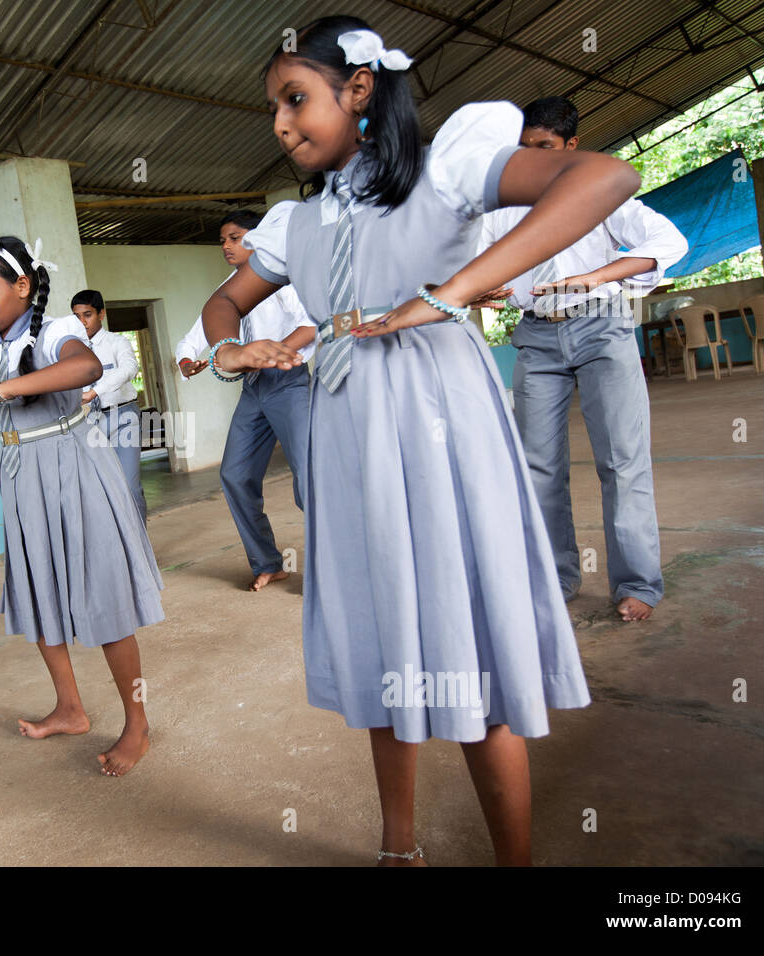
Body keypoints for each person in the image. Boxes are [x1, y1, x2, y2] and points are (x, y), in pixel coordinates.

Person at [200, 15, 649, 864]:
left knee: (460, 626)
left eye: (295, 99)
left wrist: (449, 292)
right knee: (382, 633)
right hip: (346, 429)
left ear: (358, 88)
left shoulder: (445, 170)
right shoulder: (296, 225)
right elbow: (223, 303)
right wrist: (229, 343)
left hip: (440, 416)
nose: (281, 124)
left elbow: (603, 177)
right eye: (272, 108)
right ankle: (398, 849)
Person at [0, 236, 164, 776]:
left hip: (74, 463)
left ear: (21, 286)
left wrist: (9, 389)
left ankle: (137, 721)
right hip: (21, 475)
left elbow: (84, 370)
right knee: (38, 591)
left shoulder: (57, 329)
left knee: (102, 593)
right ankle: (70, 708)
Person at [476, 96, 688, 623]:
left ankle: (637, 583)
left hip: (602, 328)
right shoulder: (503, 207)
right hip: (536, 337)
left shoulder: (600, 194)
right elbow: (474, 266)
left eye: (545, 148)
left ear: (571, 146)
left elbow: (670, 240)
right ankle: (556, 576)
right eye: (524, 150)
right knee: (539, 466)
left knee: (620, 459)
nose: (533, 159)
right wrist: (480, 289)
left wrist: (599, 275)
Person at [174, 210, 315, 591]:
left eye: (234, 237)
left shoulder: (284, 279)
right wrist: (187, 360)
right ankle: (268, 562)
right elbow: (196, 333)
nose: (226, 245)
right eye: (222, 240)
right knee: (235, 475)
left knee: (310, 477)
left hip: (288, 382)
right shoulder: (228, 291)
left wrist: (271, 352)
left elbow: (311, 323)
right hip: (253, 389)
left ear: (259, 238)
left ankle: (330, 566)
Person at [71, 289, 147, 521]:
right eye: (77, 317)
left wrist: (94, 391)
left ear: (101, 313)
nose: (82, 322)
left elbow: (129, 369)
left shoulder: (117, 342)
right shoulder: (72, 350)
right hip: (89, 423)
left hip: (123, 418)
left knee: (130, 486)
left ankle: (140, 547)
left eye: (88, 315)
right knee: (98, 490)